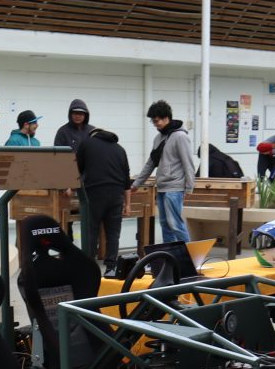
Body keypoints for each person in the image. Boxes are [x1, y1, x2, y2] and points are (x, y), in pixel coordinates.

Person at [138, 99, 197, 245]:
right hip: (162, 187)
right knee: (165, 224)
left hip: (175, 188)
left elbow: (188, 164)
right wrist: (136, 183)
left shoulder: (180, 136)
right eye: (153, 121)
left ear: (166, 118)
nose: (155, 124)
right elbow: (151, 163)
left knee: (175, 224)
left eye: (156, 120)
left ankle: (190, 256)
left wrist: (189, 187)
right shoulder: (158, 138)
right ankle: (170, 254)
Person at [77, 127, 132, 271]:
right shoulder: (120, 149)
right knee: (113, 234)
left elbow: (76, 169)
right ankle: (111, 268)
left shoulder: (87, 143)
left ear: (93, 135)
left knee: (91, 232)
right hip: (116, 196)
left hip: (94, 193)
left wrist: (70, 187)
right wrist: (128, 204)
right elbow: (127, 179)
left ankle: (89, 268)